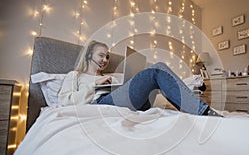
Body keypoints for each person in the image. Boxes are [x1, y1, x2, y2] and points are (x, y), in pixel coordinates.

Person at [58, 40, 222, 117]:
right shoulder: (76, 76)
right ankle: (204, 112)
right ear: (88, 56)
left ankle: (193, 111)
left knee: (156, 77)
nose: (105, 60)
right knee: (157, 69)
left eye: (107, 57)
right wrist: (94, 85)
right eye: (101, 55)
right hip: (100, 104)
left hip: (129, 104)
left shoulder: (111, 77)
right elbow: (64, 102)